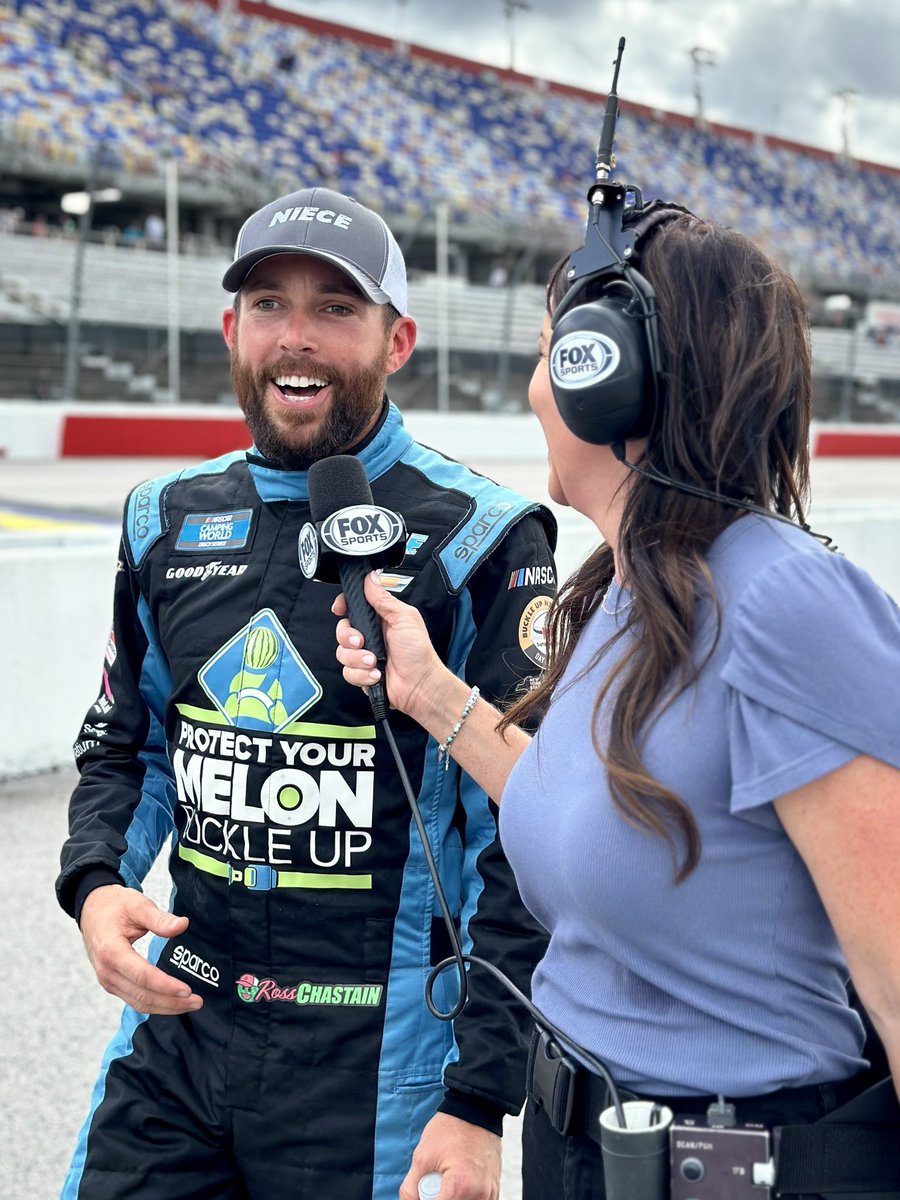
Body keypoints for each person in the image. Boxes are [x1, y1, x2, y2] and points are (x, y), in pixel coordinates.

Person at [335, 204, 900, 1197]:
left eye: (553, 353)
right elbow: (585, 818)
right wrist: (426, 690)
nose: (530, 388)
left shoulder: (784, 602)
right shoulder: (629, 589)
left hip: (728, 1168)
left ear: (613, 378)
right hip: (585, 1153)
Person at [55, 186, 557, 1200]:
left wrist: (480, 1097)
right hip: (182, 1032)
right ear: (231, 328)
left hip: (380, 1057)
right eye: (271, 305)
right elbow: (127, 743)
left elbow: (533, 834)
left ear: (399, 338)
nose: (298, 339)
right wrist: (97, 883)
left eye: (337, 308)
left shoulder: (486, 534)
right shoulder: (164, 516)